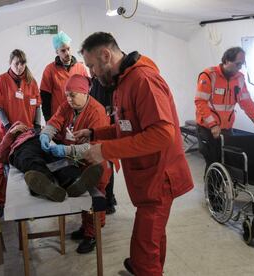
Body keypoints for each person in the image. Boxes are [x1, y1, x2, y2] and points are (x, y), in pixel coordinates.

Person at [74, 32, 194, 275]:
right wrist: (95, 132)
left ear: (106, 55)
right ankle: (147, 267)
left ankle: (146, 268)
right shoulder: (122, 83)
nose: (92, 74)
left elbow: (162, 134)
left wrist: (105, 151)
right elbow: (127, 127)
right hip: (147, 178)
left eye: (92, 66)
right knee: (151, 236)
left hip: (160, 178)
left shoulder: (143, 80)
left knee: (144, 244)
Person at [39, 74, 115, 254]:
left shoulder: (96, 112)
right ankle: (86, 228)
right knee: (83, 196)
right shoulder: (68, 105)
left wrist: (65, 151)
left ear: (84, 92)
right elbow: (55, 120)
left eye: (72, 95)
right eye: (66, 95)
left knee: (94, 199)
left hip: (95, 163)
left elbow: (94, 147)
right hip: (77, 161)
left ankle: (92, 234)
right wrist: (46, 134)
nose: (68, 99)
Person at [195, 46, 254, 171]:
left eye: (242, 64)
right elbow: (200, 102)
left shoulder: (239, 78)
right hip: (207, 128)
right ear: (226, 61)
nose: (240, 68)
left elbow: (247, 104)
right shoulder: (209, 75)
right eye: (237, 64)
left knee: (227, 162)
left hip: (226, 128)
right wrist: (213, 125)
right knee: (214, 163)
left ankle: (221, 189)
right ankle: (212, 190)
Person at [0, 121, 103, 202]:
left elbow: (52, 131)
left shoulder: (34, 129)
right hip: (21, 147)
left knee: (58, 160)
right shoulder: (12, 132)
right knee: (31, 161)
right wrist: (11, 133)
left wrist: (44, 134)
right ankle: (47, 185)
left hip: (41, 142)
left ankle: (74, 182)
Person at [0, 49, 42, 217]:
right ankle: (0, 203)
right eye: (16, 63)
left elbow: (37, 105)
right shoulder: (1, 80)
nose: (20, 67)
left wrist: (37, 125)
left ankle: (26, 203)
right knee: (3, 168)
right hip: (7, 132)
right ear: (10, 63)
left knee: (25, 166)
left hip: (26, 133)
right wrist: (8, 127)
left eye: (22, 63)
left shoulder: (31, 81)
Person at [40, 31, 88, 122]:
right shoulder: (50, 70)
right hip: (58, 117)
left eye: (68, 49)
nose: (67, 53)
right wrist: (48, 119)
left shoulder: (81, 68)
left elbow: (88, 93)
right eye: (63, 50)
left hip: (78, 116)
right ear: (57, 52)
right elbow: (45, 97)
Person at [89, 77, 118, 214]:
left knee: (107, 163)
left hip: (106, 125)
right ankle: (108, 198)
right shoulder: (94, 80)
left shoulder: (105, 80)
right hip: (98, 126)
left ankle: (108, 201)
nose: (91, 69)